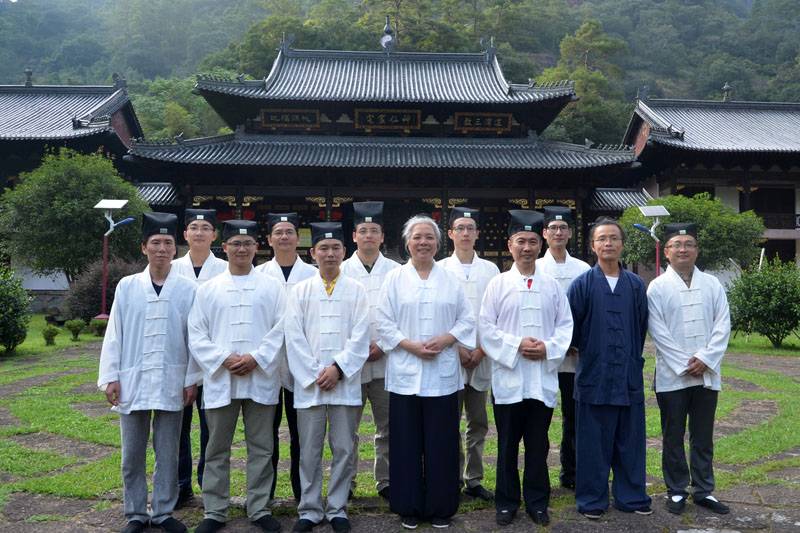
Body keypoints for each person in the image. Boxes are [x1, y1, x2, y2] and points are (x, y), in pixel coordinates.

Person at [98, 212, 198, 533]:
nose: (161, 249)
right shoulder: (128, 287)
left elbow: (193, 338)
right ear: (144, 248)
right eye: (155, 242)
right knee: (132, 454)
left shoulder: (187, 289)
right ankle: (136, 513)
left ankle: (164, 511)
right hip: (133, 379)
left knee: (168, 452)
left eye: (168, 243)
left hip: (173, 378)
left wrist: (191, 379)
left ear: (175, 249)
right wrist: (111, 376)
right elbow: (115, 333)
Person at [376, 215, 476, 530]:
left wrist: (447, 339)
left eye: (429, 237)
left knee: (442, 442)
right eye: (417, 237)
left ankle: (441, 506)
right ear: (407, 242)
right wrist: (409, 345)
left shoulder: (450, 279)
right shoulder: (394, 279)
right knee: (404, 442)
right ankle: (408, 504)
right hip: (405, 374)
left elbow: (467, 319)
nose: (423, 242)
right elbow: (382, 322)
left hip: (443, 375)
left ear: (437, 242)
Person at [188, 220, 286, 533]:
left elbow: (283, 327)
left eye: (247, 243)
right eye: (235, 244)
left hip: (260, 376)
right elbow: (196, 332)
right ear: (225, 247)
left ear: (257, 247)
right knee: (216, 447)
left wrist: (256, 357)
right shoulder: (208, 289)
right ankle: (215, 510)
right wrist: (223, 358)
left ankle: (258, 507)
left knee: (262, 446)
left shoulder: (272, 288)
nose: (241, 249)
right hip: (221, 378)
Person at [479, 209, 573, 527]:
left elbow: (565, 325)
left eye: (533, 241)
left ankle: (537, 501)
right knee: (506, 444)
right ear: (510, 245)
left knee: (538, 444)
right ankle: (506, 502)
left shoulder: (552, 285)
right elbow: (486, 328)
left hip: (541, 378)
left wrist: (546, 348)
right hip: (508, 378)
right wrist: (517, 345)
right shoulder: (498, 284)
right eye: (522, 241)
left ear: (540, 244)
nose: (528, 247)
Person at [285, 222, 371, 533]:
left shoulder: (357, 291)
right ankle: (309, 508)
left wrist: (338, 368)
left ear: (344, 252)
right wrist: (314, 372)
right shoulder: (300, 291)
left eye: (335, 248)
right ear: (313, 253)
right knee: (308, 448)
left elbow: (361, 335)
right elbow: (293, 336)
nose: (330, 253)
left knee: (344, 447)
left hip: (344, 382)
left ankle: (337, 507)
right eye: (324, 248)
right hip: (309, 384)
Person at [567, 217, 652, 519]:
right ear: (593, 246)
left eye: (614, 238)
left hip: (627, 374)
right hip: (594, 374)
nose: (608, 243)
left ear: (622, 244)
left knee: (630, 441)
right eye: (602, 238)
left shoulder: (635, 285)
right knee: (592, 443)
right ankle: (592, 499)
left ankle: (631, 496)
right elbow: (571, 329)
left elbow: (641, 327)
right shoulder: (582, 284)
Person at [647, 223, 731, 515]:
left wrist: (706, 359)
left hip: (707, 374)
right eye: (677, 245)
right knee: (672, 434)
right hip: (672, 376)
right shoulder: (657, 287)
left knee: (703, 434)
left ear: (697, 250)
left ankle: (704, 489)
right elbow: (657, 331)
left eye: (689, 244)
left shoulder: (713, 284)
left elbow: (723, 325)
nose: (683, 249)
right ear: (667, 252)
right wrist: (686, 363)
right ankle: (677, 489)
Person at [255, 212, 317, 502]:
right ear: (269, 239)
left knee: (301, 435)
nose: (284, 237)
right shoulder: (257, 275)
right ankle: (264, 495)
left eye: (289, 232)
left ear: (298, 239)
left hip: (300, 366)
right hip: (266, 366)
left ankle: (301, 493)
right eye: (278, 232)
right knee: (264, 437)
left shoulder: (313, 275)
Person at [438, 206, 499, 501]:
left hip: (482, 356)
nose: (465, 233)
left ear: (477, 234)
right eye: (459, 228)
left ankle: (473, 479)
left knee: (478, 422)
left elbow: (495, 315)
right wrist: (459, 347)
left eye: (470, 228)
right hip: (450, 356)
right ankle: (450, 477)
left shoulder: (491, 270)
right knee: (448, 423)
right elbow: (439, 316)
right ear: (450, 234)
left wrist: (481, 349)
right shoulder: (440, 270)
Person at [340, 201, 399, 500]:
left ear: (382, 236)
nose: (368, 236)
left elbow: (400, 315)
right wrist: (357, 349)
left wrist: (384, 344)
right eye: (363, 231)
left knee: (387, 427)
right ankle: (347, 483)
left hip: (386, 360)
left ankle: (386, 481)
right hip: (351, 364)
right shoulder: (340, 270)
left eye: (373, 231)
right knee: (347, 429)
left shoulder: (397, 271)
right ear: (354, 236)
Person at [171, 208, 228, 506]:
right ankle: (180, 485)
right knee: (177, 427)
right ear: (185, 234)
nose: (199, 232)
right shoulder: (171, 267)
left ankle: (209, 484)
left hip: (212, 362)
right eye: (194, 227)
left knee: (212, 428)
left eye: (206, 227)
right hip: (179, 358)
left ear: (215, 235)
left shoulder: (226, 269)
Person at [535, 205, 590, 491]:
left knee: (574, 416)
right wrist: (556, 343)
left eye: (563, 228)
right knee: (540, 418)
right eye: (552, 228)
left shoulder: (582, 269)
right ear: (544, 234)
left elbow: (586, 311)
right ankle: (538, 474)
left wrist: (573, 341)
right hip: (543, 355)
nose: (558, 232)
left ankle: (571, 472)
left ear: (569, 233)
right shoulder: (535, 266)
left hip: (573, 357)